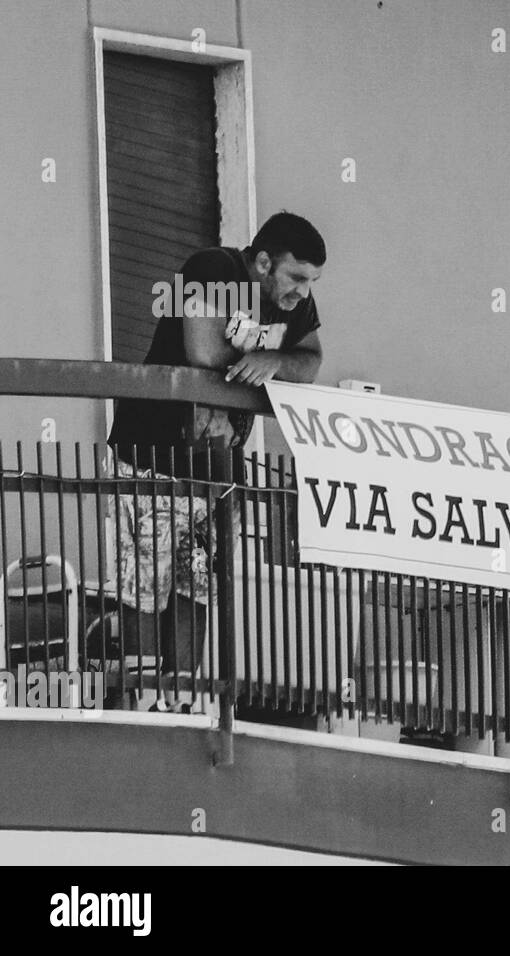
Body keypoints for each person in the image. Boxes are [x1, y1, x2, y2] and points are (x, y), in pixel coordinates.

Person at [104, 212, 327, 711]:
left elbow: (310, 359)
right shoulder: (216, 268)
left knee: (196, 589)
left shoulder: (291, 302)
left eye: (311, 283)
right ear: (264, 261)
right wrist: (273, 361)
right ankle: (142, 705)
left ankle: (180, 701)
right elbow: (202, 349)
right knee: (144, 587)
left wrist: (274, 361)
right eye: (295, 278)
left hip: (216, 473)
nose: (302, 294)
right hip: (152, 460)